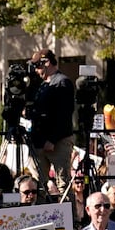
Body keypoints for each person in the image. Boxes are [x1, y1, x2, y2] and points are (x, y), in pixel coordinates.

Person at [27, 48, 76, 201]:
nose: (36, 71)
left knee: (63, 184)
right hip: (40, 141)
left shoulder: (62, 82)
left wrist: (53, 139)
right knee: (39, 184)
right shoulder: (43, 85)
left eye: (38, 66)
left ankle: (71, 221)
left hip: (57, 141)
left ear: (47, 63)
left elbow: (64, 115)